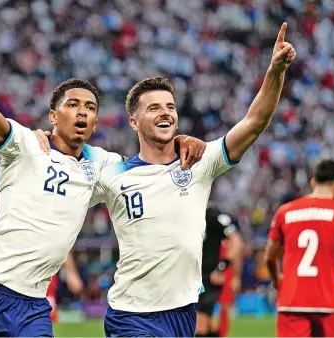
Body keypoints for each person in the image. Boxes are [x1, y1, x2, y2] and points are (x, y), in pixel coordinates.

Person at [0, 7, 206, 337]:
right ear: (53, 116)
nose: (82, 111)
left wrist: (178, 139)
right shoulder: (26, 145)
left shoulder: (101, 165)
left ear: (96, 123)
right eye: (73, 105)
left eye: (90, 108)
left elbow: (149, 166)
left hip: (35, 305)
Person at [88, 22, 296, 337]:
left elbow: (254, 123)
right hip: (131, 313)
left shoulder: (198, 165)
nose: (165, 112)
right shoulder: (113, 172)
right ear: (133, 121)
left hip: (183, 313)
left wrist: (275, 72)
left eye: (170, 107)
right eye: (154, 107)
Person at [264, 159, 334, 337]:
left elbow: (269, 256)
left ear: (313, 182)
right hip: (328, 303)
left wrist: (276, 279)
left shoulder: (285, 212)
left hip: (291, 302)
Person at [195, 207, 243, 337]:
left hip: (207, 277)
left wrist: (222, 267)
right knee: (207, 323)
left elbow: (237, 242)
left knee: (199, 324)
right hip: (196, 276)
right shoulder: (187, 214)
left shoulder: (212, 215)